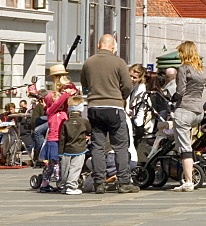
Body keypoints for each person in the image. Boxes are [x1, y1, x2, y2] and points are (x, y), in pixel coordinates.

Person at [81, 34, 138, 194]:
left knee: (98, 146)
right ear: (113, 47)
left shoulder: (88, 62)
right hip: (114, 107)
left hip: (94, 107)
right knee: (120, 146)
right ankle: (123, 182)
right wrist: (120, 96)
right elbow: (127, 86)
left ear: (99, 45)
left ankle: (99, 183)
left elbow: (85, 86)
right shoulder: (119, 62)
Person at [171, 41, 206, 192]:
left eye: (180, 52)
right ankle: (193, 172)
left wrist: (171, 99)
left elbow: (180, 92)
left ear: (184, 53)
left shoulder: (183, 69)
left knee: (184, 147)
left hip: (184, 110)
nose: (179, 55)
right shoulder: (203, 70)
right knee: (190, 143)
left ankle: (188, 181)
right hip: (198, 113)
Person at [38, 63, 77, 192]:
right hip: (54, 136)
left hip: (60, 132)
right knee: (55, 163)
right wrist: (65, 95)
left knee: (53, 163)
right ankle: (59, 182)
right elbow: (52, 108)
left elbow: (74, 92)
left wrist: (68, 92)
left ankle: (45, 184)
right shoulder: (52, 101)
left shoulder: (60, 107)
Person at [58, 95, 91, 195]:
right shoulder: (84, 122)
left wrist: (60, 152)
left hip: (67, 149)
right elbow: (89, 131)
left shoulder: (65, 123)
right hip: (80, 148)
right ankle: (71, 186)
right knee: (75, 168)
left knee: (65, 168)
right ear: (81, 108)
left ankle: (63, 185)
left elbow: (62, 138)